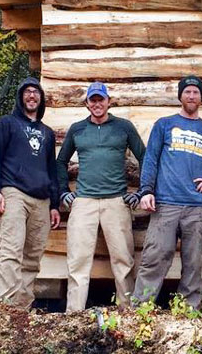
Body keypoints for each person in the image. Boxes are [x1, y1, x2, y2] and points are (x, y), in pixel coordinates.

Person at [133, 76, 202, 309]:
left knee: (193, 263)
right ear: (180, 96)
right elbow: (150, 160)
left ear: (201, 98)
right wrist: (146, 191)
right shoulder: (164, 124)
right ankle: (141, 310)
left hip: (196, 208)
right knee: (155, 258)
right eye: (187, 92)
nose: (191, 96)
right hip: (165, 205)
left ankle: (188, 313)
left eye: (195, 92)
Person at [56, 82, 146, 311]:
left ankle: (128, 313)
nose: (97, 104)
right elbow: (61, 162)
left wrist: (142, 191)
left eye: (100, 99)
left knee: (123, 260)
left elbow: (146, 158)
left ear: (108, 101)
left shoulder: (123, 127)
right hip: (83, 202)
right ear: (87, 103)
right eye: (92, 100)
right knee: (78, 262)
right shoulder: (77, 129)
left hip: (116, 201)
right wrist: (64, 191)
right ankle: (74, 315)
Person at [0, 77, 61, 308]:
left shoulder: (46, 133)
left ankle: (21, 311)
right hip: (13, 193)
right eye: (27, 92)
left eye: (36, 92)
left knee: (32, 258)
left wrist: (54, 204)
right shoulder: (5, 124)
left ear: (41, 98)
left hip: (42, 200)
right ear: (20, 97)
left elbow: (51, 170)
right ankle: (2, 309)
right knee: (11, 251)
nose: (31, 96)